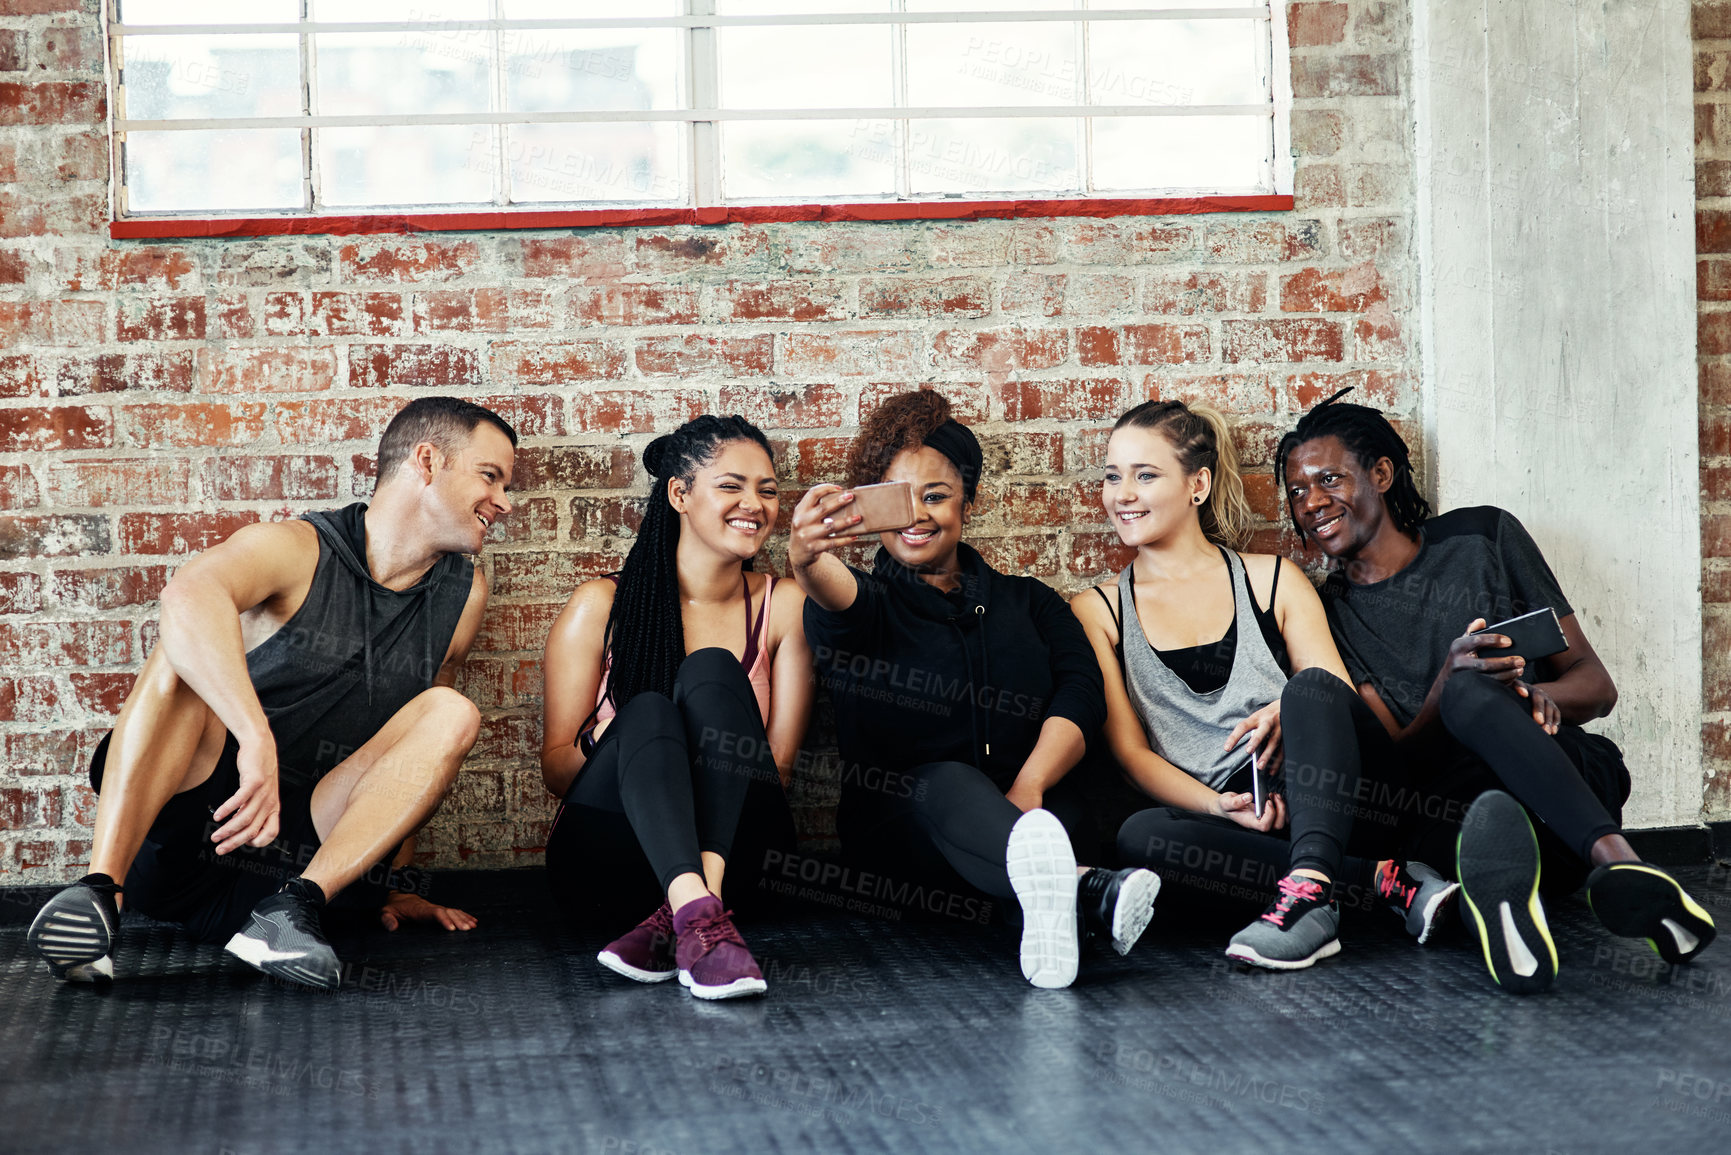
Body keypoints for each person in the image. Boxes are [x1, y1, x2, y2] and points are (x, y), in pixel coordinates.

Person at [27, 396, 511, 990]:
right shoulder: (298, 547)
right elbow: (186, 595)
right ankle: (101, 896)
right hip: (189, 827)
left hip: (294, 859)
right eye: (490, 476)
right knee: (183, 651)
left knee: (450, 710)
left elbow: (416, 754)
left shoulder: (463, 593)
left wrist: (396, 882)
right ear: (427, 460)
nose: (503, 502)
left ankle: (286, 919)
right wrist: (255, 738)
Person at [1277, 389, 1716, 992]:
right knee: (1465, 697)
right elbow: (1400, 756)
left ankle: (1622, 871)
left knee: (1481, 693)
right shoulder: (1328, 611)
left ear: (1380, 473)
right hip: (1454, 814)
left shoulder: (1483, 536)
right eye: (1297, 492)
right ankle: (1518, 894)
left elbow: (1596, 683)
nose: (1312, 503)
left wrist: (1541, 701)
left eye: (1329, 478)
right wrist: (1446, 686)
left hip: (1559, 786)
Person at [791, 389, 1157, 990]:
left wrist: (1030, 784)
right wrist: (805, 558)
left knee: (1075, 811)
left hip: (1032, 814)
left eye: (936, 496)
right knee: (945, 781)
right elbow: (829, 589)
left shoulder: (1031, 601)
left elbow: (1080, 695)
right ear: (869, 507)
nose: (917, 516)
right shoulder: (864, 604)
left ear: (969, 500)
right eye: (899, 500)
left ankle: (1055, 904)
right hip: (907, 846)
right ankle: (1086, 889)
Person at [1072, 399, 1447, 971]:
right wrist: (1220, 808)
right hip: (1239, 827)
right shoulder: (1099, 610)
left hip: (1330, 799)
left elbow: (1335, 697)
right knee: (1140, 836)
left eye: (1145, 475)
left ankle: (1316, 892)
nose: (1122, 493)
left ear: (1197, 485)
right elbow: (1130, 755)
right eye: (1112, 476)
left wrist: (1285, 708)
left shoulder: (1272, 578)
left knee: (1310, 691)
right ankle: (1378, 885)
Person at [540, 415, 808, 1001]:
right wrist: (616, 740)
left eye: (767, 489)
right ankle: (698, 916)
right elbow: (556, 768)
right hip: (612, 863)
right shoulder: (601, 604)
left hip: (741, 861)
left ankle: (691, 909)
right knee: (651, 713)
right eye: (732, 486)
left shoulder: (783, 606)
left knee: (711, 671)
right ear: (679, 494)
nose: (755, 504)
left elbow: (777, 773)